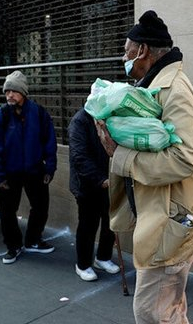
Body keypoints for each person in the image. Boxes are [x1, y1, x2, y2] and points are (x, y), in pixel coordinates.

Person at [96, 10, 193, 323]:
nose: (124, 57)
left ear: (143, 51)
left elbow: (185, 158)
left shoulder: (172, 88)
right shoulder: (157, 84)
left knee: (150, 313)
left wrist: (118, 154)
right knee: (169, 308)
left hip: (171, 222)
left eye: (126, 51)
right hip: (166, 217)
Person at [0, 70, 57, 264]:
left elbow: (49, 141)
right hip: (9, 173)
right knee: (7, 211)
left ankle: (33, 240)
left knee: (41, 207)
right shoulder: (0, 116)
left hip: (35, 170)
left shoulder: (39, 113)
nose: (9, 95)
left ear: (24, 93)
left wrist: (49, 168)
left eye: (14, 91)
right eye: (7, 91)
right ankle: (13, 246)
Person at [68, 108, 119, 281]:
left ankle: (103, 257)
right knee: (88, 225)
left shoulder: (109, 118)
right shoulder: (80, 121)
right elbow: (79, 156)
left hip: (109, 181)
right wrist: (100, 179)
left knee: (110, 222)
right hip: (87, 184)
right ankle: (82, 265)